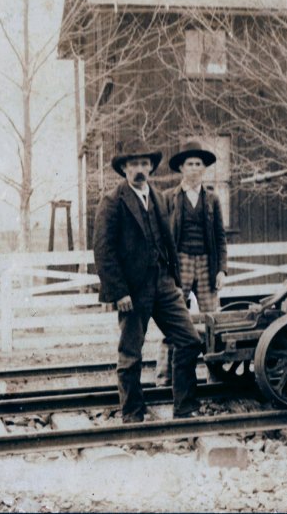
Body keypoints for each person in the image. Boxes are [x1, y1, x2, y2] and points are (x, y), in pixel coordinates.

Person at [93, 141, 203, 422]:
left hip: (164, 284)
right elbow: (104, 252)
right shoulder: (113, 201)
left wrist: (175, 280)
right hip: (133, 290)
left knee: (189, 340)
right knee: (130, 354)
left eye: (144, 164)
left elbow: (167, 241)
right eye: (133, 165)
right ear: (124, 169)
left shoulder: (158, 196)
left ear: (151, 167)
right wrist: (119, 292)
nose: (139, 170)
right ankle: (133, 414)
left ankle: (185, 407)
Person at [155, 140, 229, 386]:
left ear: (203, 169)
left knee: (212, 321)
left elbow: (220, 236)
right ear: (182, 169)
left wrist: (222, 269)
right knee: (173, 317)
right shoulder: (168, 199)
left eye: (199, 164)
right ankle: (165, 376)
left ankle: (215, 374)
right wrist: (167, 271)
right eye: (190, 164)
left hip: (207, 264)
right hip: (180, 263)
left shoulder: (213, 200)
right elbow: (163, 239)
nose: (195, 168)